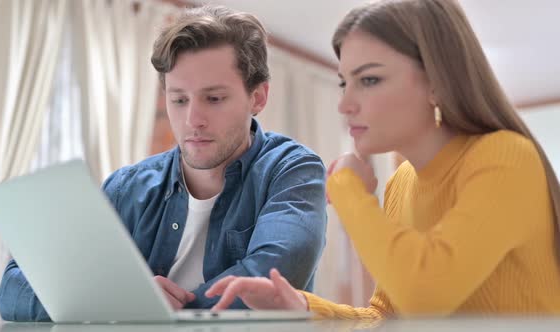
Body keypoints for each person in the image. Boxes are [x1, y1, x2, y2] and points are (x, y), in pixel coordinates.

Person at [205, 0, 560, 319]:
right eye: (345, 83)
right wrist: (300, 307)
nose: (345, 105)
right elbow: (386, 316)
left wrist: (349, 189)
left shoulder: (506, 158)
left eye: (370, 79)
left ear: (437, 81)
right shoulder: (402, 182)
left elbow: (426, 295)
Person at [0, 5, 327, 321]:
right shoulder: (127, 187)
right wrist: (121, 303)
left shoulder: (294, 172)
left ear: (258, 97)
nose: (193, 119)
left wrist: (143, 310)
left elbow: (269, 279)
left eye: (214, 99)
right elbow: (13, 287)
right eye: (179, 99)